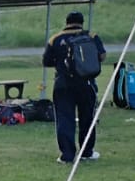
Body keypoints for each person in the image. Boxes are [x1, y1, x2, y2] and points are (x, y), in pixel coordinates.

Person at [42, 10, 107, 164]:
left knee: (65, 118)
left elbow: (46, 61)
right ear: (82, 22)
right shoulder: (91, 36)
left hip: (63, 84)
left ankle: (67, 155)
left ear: (67, 22)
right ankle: (87, 152)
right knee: (87, 118)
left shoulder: (55, 38)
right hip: (86, 83)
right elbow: (102, 56)